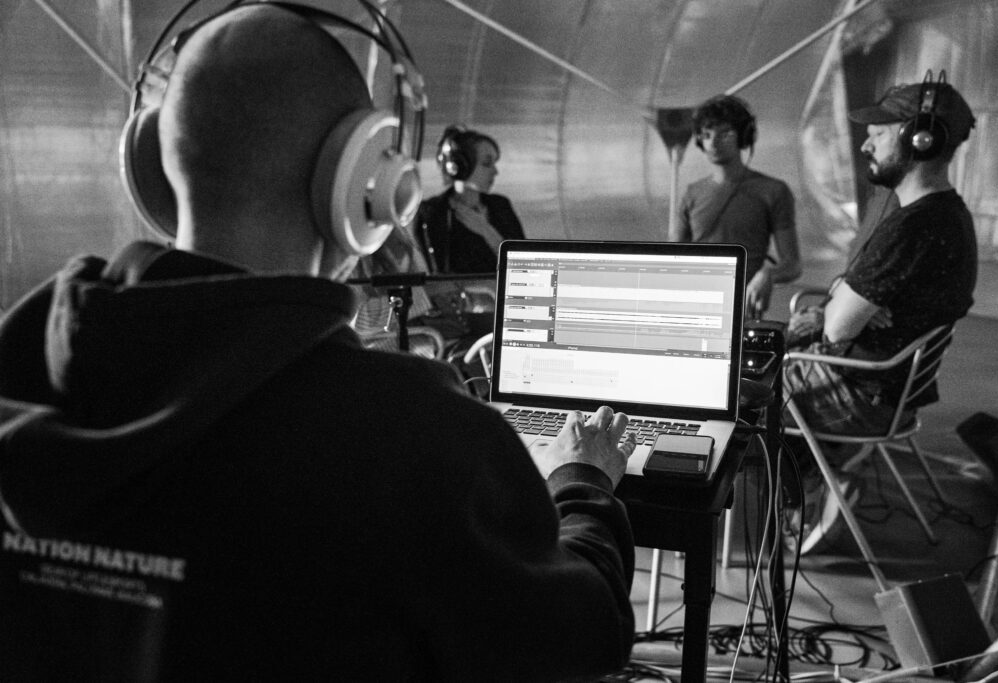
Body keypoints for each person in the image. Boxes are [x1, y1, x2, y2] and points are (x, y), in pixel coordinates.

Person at [0, 5, 638, 681]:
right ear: (363, 179)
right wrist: (583, 481)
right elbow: (577, 636)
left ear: (152, 159)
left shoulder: (22, 359)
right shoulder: (408, 433)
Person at [784, 74, 978, 547]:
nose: (867, 140)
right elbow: (844, 300)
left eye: (881, 129)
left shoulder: (913, 227)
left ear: (921, 139)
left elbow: (835, 327)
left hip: (859, 392)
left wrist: (842, 309)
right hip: (889, 388)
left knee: (732, 393)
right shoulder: (947, 215)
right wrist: (849, 304)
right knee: (763, 356)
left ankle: (804, 490)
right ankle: (817, 470)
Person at [670, 94, 802, 318]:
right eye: (706, 135)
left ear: (744, 136)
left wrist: (768, 274)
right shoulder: (692, 193)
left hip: (744, 316)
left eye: (724, 133)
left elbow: (792, 265)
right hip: (694, 310)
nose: (713, 142)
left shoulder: (773, 191)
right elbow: (672, 258)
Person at [415, 125, 525, 274]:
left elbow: (523, 267)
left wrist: (487, 231)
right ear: (460, 167)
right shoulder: (432, 212)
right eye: (486, 164)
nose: (495, 171)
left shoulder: (500, 206)